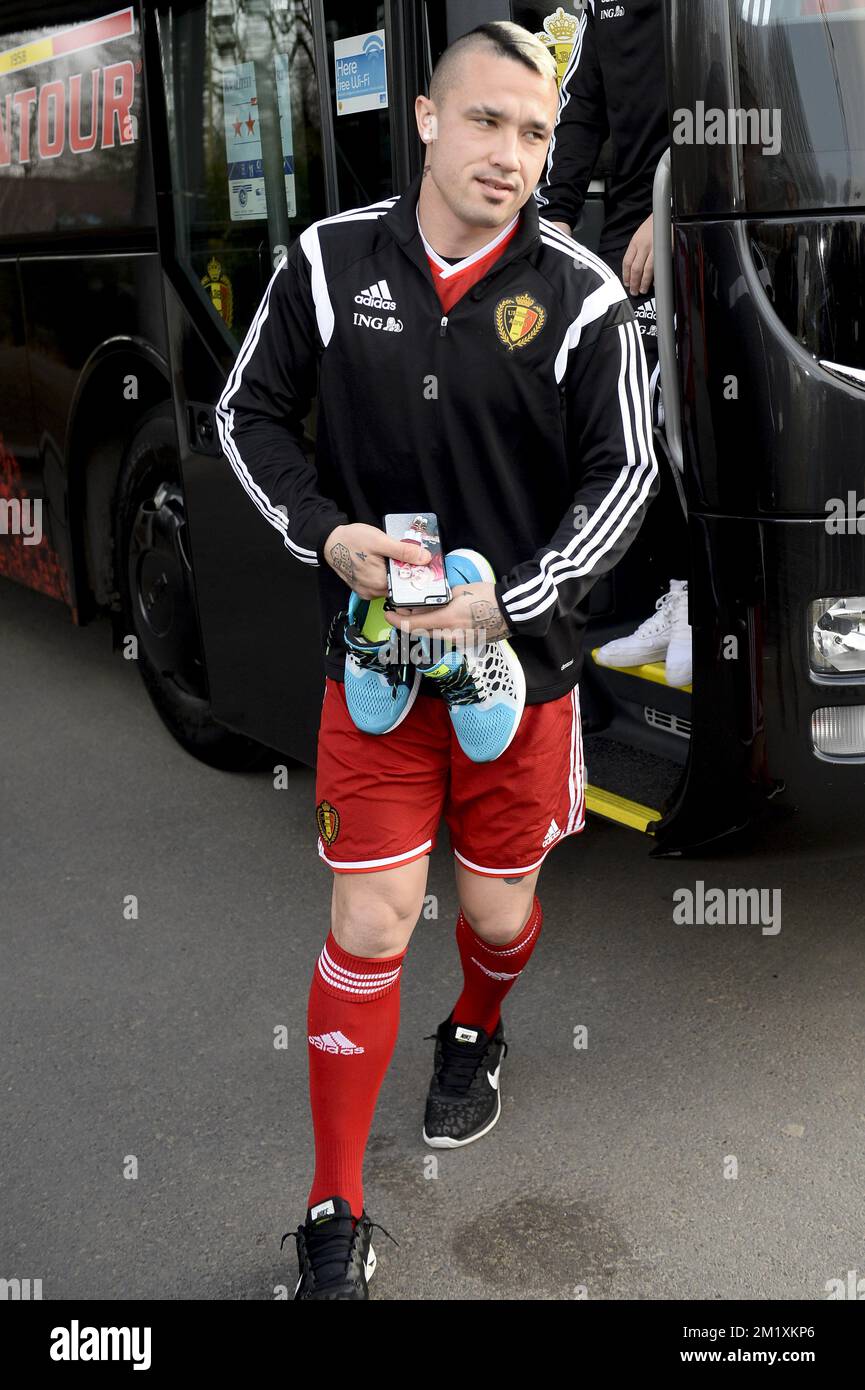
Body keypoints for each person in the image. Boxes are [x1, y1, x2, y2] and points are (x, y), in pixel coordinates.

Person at [216, 19, 658, 1301]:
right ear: (421, 118)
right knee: (365, 917)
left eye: (534, 133)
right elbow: (244, 414)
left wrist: (507, 605)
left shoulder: (578, 294)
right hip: (374, 665)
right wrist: (328, 533)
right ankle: (334, 1216)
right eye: (483, 122)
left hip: (518, 672)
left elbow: (622, 477)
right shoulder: (326, 259)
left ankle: (476, 1025)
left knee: (494, 910)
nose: (509, 154)